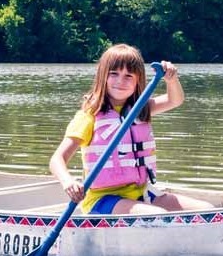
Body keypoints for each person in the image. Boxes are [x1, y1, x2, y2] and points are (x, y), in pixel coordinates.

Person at [49, 43, 212, 215]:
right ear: (102, 76)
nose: (120, 81)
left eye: (128, 76)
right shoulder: (89, 116)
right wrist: (68, 181)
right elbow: (57, 159)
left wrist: (171, 79)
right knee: (157, 215)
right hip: (103, 199)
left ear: (137, 81)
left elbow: (175, 100)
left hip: (141, 193)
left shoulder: (141, 109)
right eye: (114, 74)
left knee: (207, 211)